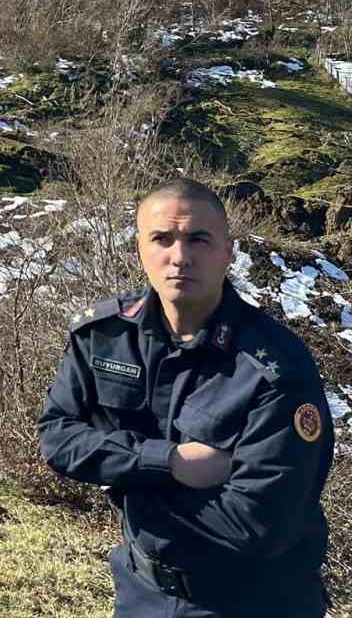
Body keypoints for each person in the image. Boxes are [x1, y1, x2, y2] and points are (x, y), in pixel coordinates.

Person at [39, 178, 334, 617]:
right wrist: (169, 461)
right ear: (140, 247)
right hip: (141, 591)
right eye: (162, 239)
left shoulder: (275, 369)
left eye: (198, 238)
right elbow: (58, 438)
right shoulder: (104, 337)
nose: (180, 257)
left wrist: (121, 480)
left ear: (227, 251)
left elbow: (257, 524)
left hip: (255, 601)